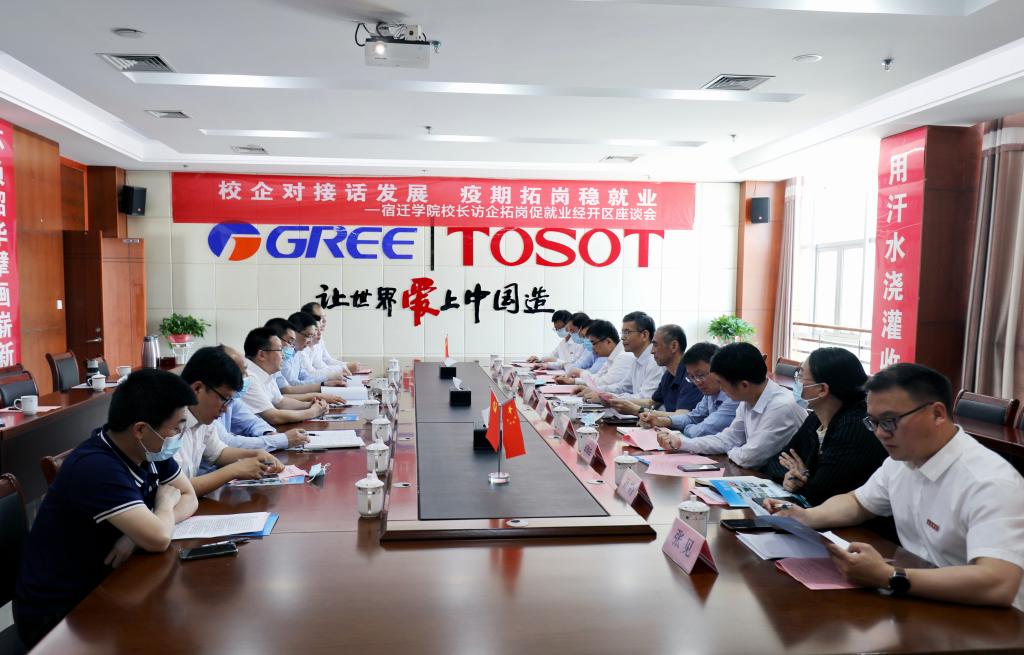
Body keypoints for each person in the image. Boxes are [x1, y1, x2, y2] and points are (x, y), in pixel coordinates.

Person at [766, 363, 1024, 609]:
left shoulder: (989, 482)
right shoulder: (902, 461)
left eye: (889, 421)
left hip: (988, 620)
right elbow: (857, 503)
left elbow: (999, 583)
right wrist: (805, 516)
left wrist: (889, 576)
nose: (880, 433)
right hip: (924, 599)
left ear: (937, 414)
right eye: (873, 422)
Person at [14, 369, 200, 647]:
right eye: (176, 428)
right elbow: (159, 537)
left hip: (110, 585)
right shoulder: (97, 467)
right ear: (140, 429)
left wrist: (138, 534)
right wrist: (160, 508)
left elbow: (188, 495)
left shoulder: (149, 449)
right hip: (61, 613)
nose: (179, 436)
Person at [761, 348, 887, 506]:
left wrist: (804, 475)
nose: (797, 381)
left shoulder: (854, 427)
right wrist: (791, 476)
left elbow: (820, 493)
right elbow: (776, 461)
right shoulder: (817, 417)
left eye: (800, 376)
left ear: (822, 389)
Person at [669, 342, 806, 468]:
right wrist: (682, 443)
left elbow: (749, 458)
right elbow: (727, 439)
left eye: (722, 383)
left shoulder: (781, 407)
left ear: (744, 385)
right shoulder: (748, 399)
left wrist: (731, 449)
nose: (721, 389)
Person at [176, 346, 285, 496]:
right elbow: (178, 488)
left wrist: (256, 454)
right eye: (224, 399)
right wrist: (234, 470)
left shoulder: (201, 418)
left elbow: (219, 453)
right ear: (197, 388)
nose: (226, 409)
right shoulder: (169, 424)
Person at [647, 342, 739, 439]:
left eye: (701, 375)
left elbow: (703, 430)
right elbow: (692, 417)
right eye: (691, 377)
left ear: (718, 369)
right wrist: (661, 421)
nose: (697, 382)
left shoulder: (734, 396)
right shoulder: (709, 393)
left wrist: (686, 428)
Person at [607, 324, 701, 416]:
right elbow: (652, 402)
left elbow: (682, 416)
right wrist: (616, 401)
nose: (652, 351)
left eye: (655, 345)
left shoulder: (691, 375)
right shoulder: (668, 374)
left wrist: (637, 410)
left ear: (673, 346)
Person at [241, 327, 329, 425]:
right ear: (262, 355)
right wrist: (312, 412)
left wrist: (310, 405)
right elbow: (274, 417)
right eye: (280, 350)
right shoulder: (248, 378)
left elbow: (280, 402)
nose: (283, 355)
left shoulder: (266, 373)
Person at [581, 311, 663, 405]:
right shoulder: (637, 359)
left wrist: (606, 398)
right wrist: (596, 390)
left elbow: (647, 399)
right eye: (623, 333)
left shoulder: (655, 361)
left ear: (644, 335)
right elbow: (623, 387)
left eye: (627, 332)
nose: (623, 338)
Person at [266, 315, 345, 392]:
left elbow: (304, 377)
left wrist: (327, 379)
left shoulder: (295, 353)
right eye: (308, 336)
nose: (310, 341)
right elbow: (290, 387)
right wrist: (324, 383)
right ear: (295, 332)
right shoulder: (283, 356)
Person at [566, 319, 633, 392]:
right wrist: (574, 381)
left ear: (608, 342)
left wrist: (580, 373)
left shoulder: (624, 356)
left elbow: (603, 383)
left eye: (594, 343)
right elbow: (598, 377)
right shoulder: (612, 355)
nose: (592, 348)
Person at [300, 301, 362, 376]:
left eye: (324, 317)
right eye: (320, 318)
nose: (324, 321)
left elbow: (325, 362)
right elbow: (311, 373)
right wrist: (344, 367)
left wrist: (347, 365)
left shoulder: (318, 339)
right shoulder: (300, 345)